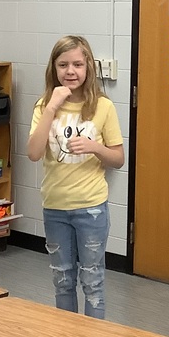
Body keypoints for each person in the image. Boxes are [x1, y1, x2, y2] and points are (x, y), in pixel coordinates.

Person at [27, 35, 124, 319]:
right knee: (63, 280)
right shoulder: (43, 106)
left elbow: (118, 159)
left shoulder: (103, 106)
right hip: (55, 207)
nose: (70, 71)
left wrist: (95, 147)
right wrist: (51, 108)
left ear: (88, 67)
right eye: (63, 65)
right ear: (54, 68)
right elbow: (33, 153)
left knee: (92, 281)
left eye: (78, 64)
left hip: (91, 208)